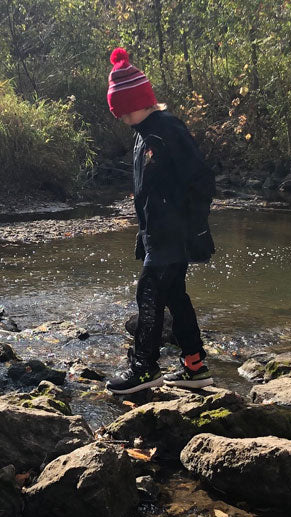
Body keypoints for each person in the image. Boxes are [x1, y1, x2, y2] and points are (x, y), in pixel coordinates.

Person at [104, 48, 216, 395]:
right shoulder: (144, 134)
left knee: (149, 294)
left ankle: (144, 368)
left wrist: (194, 227)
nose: (121, 118)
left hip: (174, 232)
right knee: (174, 297)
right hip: (159, 232)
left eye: (123, 110)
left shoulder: (166, 130)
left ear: (140, 101)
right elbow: (148, 193)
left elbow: (201, 180)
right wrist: (144, 233)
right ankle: (195, 367)